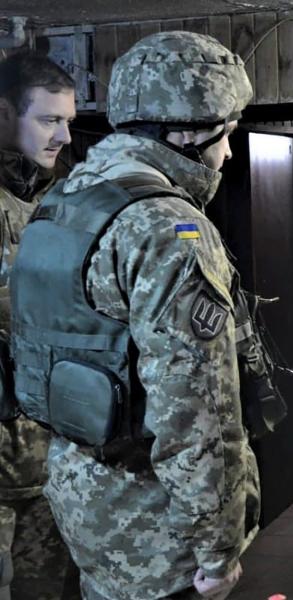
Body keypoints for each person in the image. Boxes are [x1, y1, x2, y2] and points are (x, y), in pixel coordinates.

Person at [9, 32, 260, 600]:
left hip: (82, 496)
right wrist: (217, 547)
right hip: (155, 526)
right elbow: (195, 408)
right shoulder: (167, 227)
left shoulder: (69, 197)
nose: (229, 153)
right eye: (228, 133)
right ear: (190, 134)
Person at [0, 51, 78, 600]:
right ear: (4, 113)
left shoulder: (66, 200)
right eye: (49, 120)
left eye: (68, 121)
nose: (65, 137)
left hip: (54, 459)